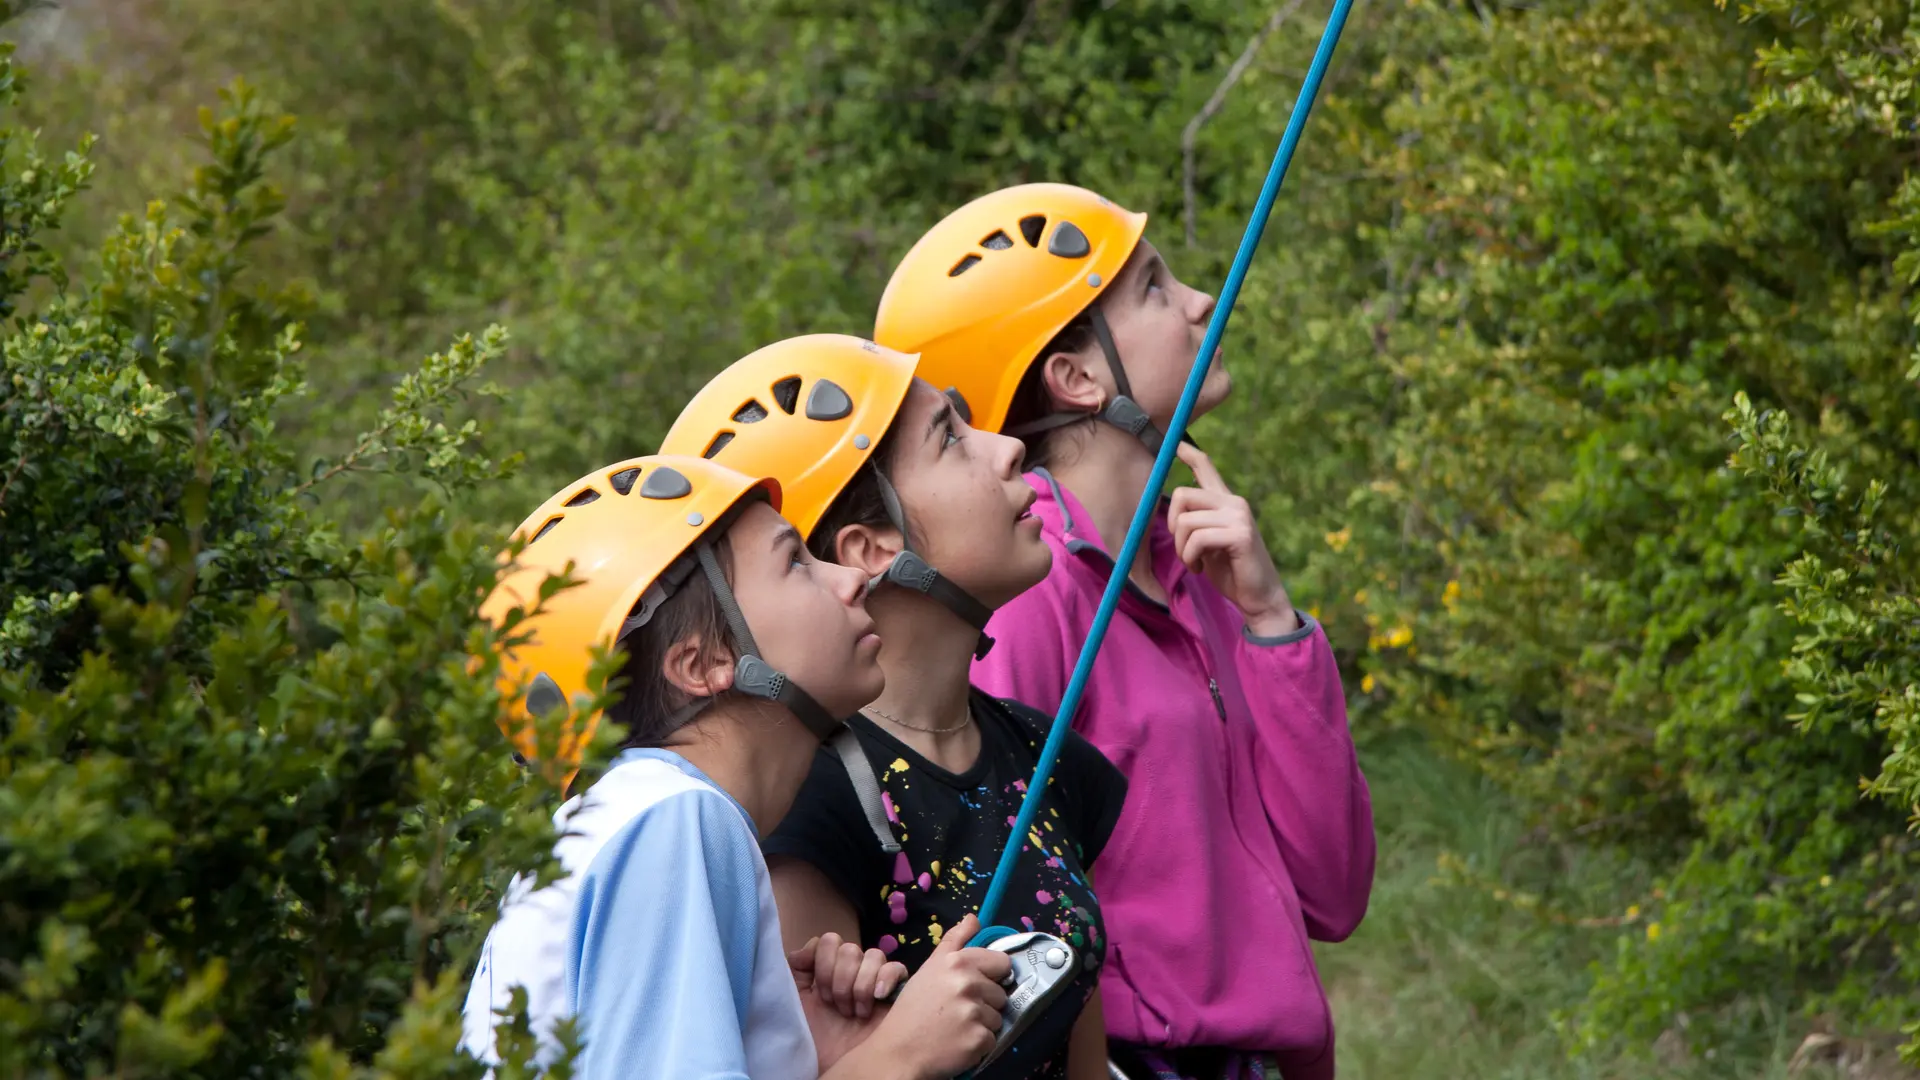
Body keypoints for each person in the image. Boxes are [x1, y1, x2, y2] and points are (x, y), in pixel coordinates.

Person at [874, 184, 1377, 1080]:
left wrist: (1272, 625)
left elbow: (1332, 892)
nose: (1200, 302)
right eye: (1153, 286)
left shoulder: (1198, 571)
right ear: (1078, 377)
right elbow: (1000, 911)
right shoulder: (1030, 612)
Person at [459, 453, 1016, 1080]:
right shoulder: (671, 818)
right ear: (703, 665)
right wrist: (900, 1057)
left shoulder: (637, 813)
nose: (850, 579)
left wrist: (818, 1057)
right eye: (797, 564)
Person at [660, 335, 1129, 1080]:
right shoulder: (807, 805)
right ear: (870, 547)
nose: (1006, 448)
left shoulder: (1040, 751)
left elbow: (1081, 1045)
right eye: (950, 437)